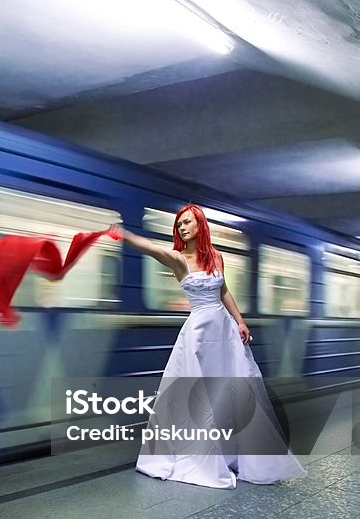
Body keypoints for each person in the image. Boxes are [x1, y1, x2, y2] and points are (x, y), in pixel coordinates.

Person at [116, 205, 306, 488]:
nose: (182, 227)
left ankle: (233, 452)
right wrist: (126, 236)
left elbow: (224, 290)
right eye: (179, 224)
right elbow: (153, 250)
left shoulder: (216, 256)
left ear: (200, 225)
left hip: (224, 331)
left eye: (187, 222)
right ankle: (201, 454)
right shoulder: (179, 259)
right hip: (199, 334)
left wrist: (240, 321)